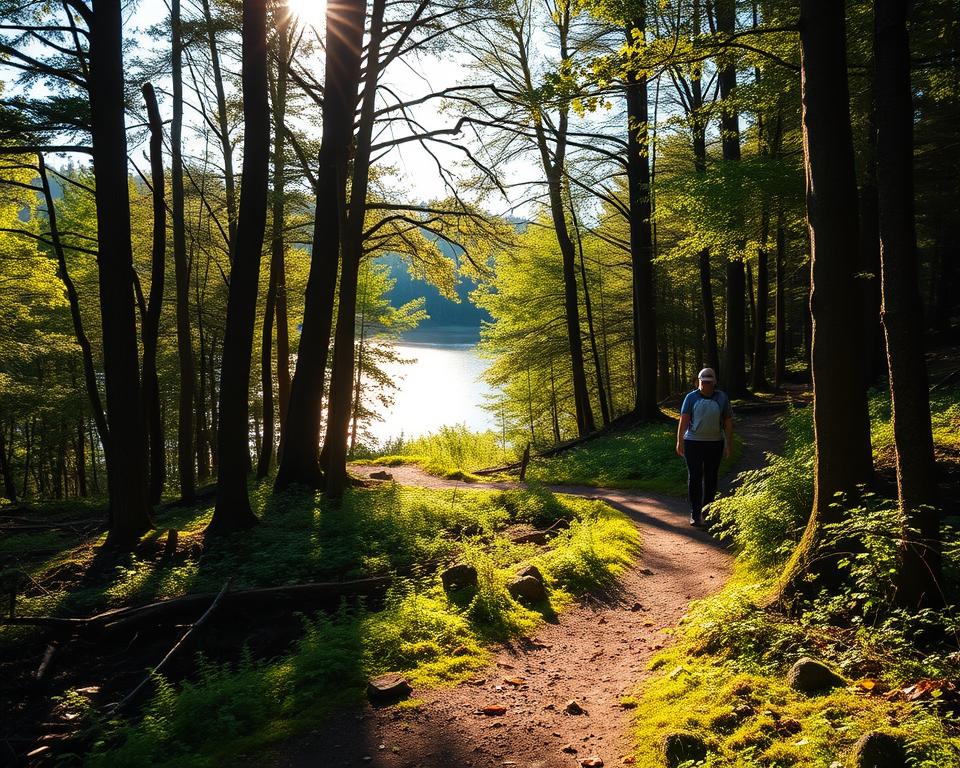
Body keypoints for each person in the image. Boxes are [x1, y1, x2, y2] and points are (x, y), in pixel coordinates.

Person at [675, 367, 733, 526]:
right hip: (693, 443)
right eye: (702, 382)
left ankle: (708, 512)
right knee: (694, 477)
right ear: (698, 382)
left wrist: (729, 444)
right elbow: (684, 419)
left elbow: (727, 421)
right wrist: (679, 440)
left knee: (711, 478)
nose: (704, 384)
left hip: (715, 443)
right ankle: (695, 513)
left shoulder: (722, 397)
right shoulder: (691, 397)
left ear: (713, 383)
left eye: (708, 382)